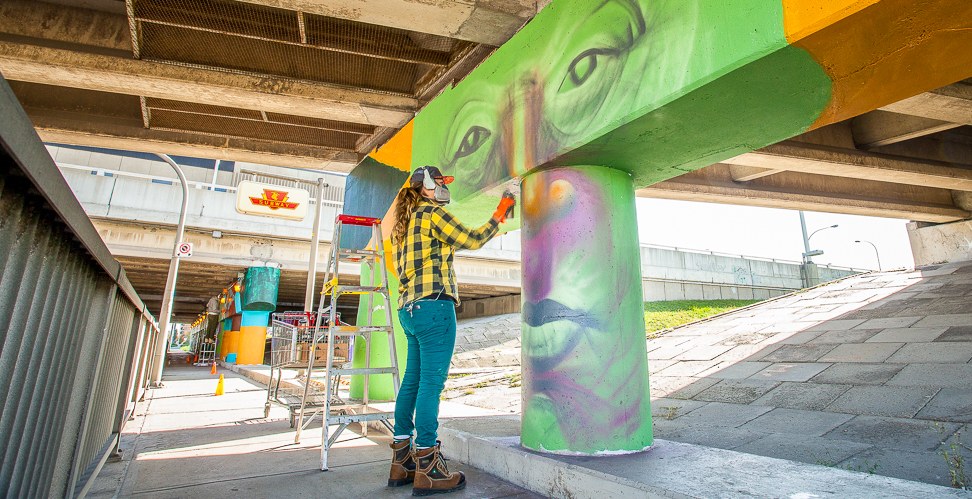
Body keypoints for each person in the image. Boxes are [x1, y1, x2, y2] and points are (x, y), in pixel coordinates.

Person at [387, 166, 515, 496]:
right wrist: (502, 211)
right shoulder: (430, 214)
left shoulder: (403, 225)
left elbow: (437, 252)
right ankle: (428, 466)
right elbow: (472, 238)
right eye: (441, 183)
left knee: (412, 382)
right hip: (433, 308)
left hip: (409, 309)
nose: (444, 188)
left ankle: (402, 461)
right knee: (431, 384)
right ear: (427, 187)